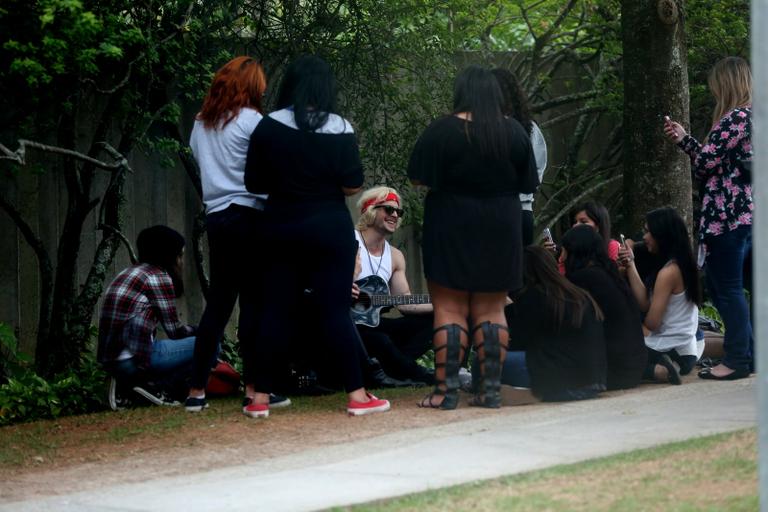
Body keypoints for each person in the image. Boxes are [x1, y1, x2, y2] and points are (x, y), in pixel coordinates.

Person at [244, 55, 390, 417]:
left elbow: (253, 183)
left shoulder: (268, 126)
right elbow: (353, 184)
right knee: (335, 311)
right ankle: (357, 396)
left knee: (275, 310)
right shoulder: (341, 128)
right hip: (328, 226)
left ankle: (259, 399)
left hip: (279, 224)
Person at [408, 65, 539, 409]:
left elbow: (418, 179)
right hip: (501, 224)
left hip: (450, 220)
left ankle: (444, 392)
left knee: (449, 307)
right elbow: (528, 184)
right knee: (492, 308)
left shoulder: (441, 130)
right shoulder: (513, 132)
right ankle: (491, 391)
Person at [187, 56, 289, 414]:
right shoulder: (252, 121)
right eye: (259, 85)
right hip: (250, 215)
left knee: (218, 304)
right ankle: (254, 388)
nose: (263, 91)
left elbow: (204, 167)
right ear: (249, 86)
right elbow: (272, 169)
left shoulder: (200, 125)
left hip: (217, 218)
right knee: (254, 304)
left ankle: (196, 390)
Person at [664, 56, 753, 380]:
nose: (714, 90)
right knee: (737, 288)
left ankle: (737, 361)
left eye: (716, 85)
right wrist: (685, 139)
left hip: (724, 218)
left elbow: (704, 163)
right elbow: (716, 159)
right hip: (745, 215)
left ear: (727, 84)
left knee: (725, 289)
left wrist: (686, 141)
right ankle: (750, 355)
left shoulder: (736, 118)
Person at [487, 246, 606, 402]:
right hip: (593, 381)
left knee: (484, 362)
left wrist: (507, 308)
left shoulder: (534, 297)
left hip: (559, 378)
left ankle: (533, 391)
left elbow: (518, 341)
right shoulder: (578, 294)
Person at [98, 226, 195, 410]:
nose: (181, 262)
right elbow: (175, 332)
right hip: (133, 362)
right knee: (210, 345)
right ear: (169, 256)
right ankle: (156, 388)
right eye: (180, 256)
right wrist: (201, 330)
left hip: (112, 361)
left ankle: (127, 387)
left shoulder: (127, 273)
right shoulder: (158, 277)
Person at [352, 186, 434, 385]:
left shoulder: (395, 256)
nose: (395, 215)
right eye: (388, 209)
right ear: (370, 210)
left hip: (375, 323)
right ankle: (420, 375)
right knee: (380, 340)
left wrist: (443, 304)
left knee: (435, 319)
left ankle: (389, 368)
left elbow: (404, 303)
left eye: (399, 211)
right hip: (349, 326)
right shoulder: (350, 241)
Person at [619, 207, 702, 384]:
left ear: (662, 235)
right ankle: (664, 368)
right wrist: (631, 264)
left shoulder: (669, 272)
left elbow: (652, 323)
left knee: (613, 359)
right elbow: (646, 305)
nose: (644, 237)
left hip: (671, 349)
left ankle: (660, 371)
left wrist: (634, 328)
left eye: (648, 232)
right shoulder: (681, 263)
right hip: (684, 349)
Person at [560, 225, 647, 390]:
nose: (561, 258)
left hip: (613, 373)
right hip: (633, 369)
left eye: (565, 251)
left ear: (577, 251)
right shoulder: (608, 272)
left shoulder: (584, 278)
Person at [492, 68, 548, 246]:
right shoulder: (479, 129)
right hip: (488, 211)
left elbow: (537, 170)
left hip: (518, 210)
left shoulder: (529, 129)